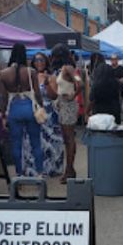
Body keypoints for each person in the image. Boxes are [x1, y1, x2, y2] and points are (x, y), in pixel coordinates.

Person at [0, 43, 44, 177]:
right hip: (30, 107)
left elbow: (3, 97)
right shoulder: (31, 72)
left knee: (16, 144)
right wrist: (40, 107)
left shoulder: (3, 74)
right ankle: (39, 173)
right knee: (36, 142)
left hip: (14, 109)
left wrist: (3, 115)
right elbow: (37, 93)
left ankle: (19, 174)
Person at [27, 52, 64, 177]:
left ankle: (52, 168)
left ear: (46, 62)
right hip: (35, 111)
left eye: (42, 60)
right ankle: (37, 169)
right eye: (36, 60)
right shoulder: (29, 76)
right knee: (36, 140)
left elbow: (54, 96)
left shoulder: (51, 76)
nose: (39, 63)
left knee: (51, 140)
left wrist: (47, 83)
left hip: (48, 111)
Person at [48, 44, 81, 183]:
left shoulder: (67, 68)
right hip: (64, 105)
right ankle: (70, 169)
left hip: (68, 105)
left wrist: (74, 95)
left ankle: (69, 170)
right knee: (68, 139)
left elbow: (80, 82)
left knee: (69, 139)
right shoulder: (64, 69)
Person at [89, 53, 122, 124]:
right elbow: (119, 95)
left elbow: (91, 99)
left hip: (99, 113)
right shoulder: (115, 83)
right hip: (114, 111)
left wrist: (87, 111)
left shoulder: (96, 85)